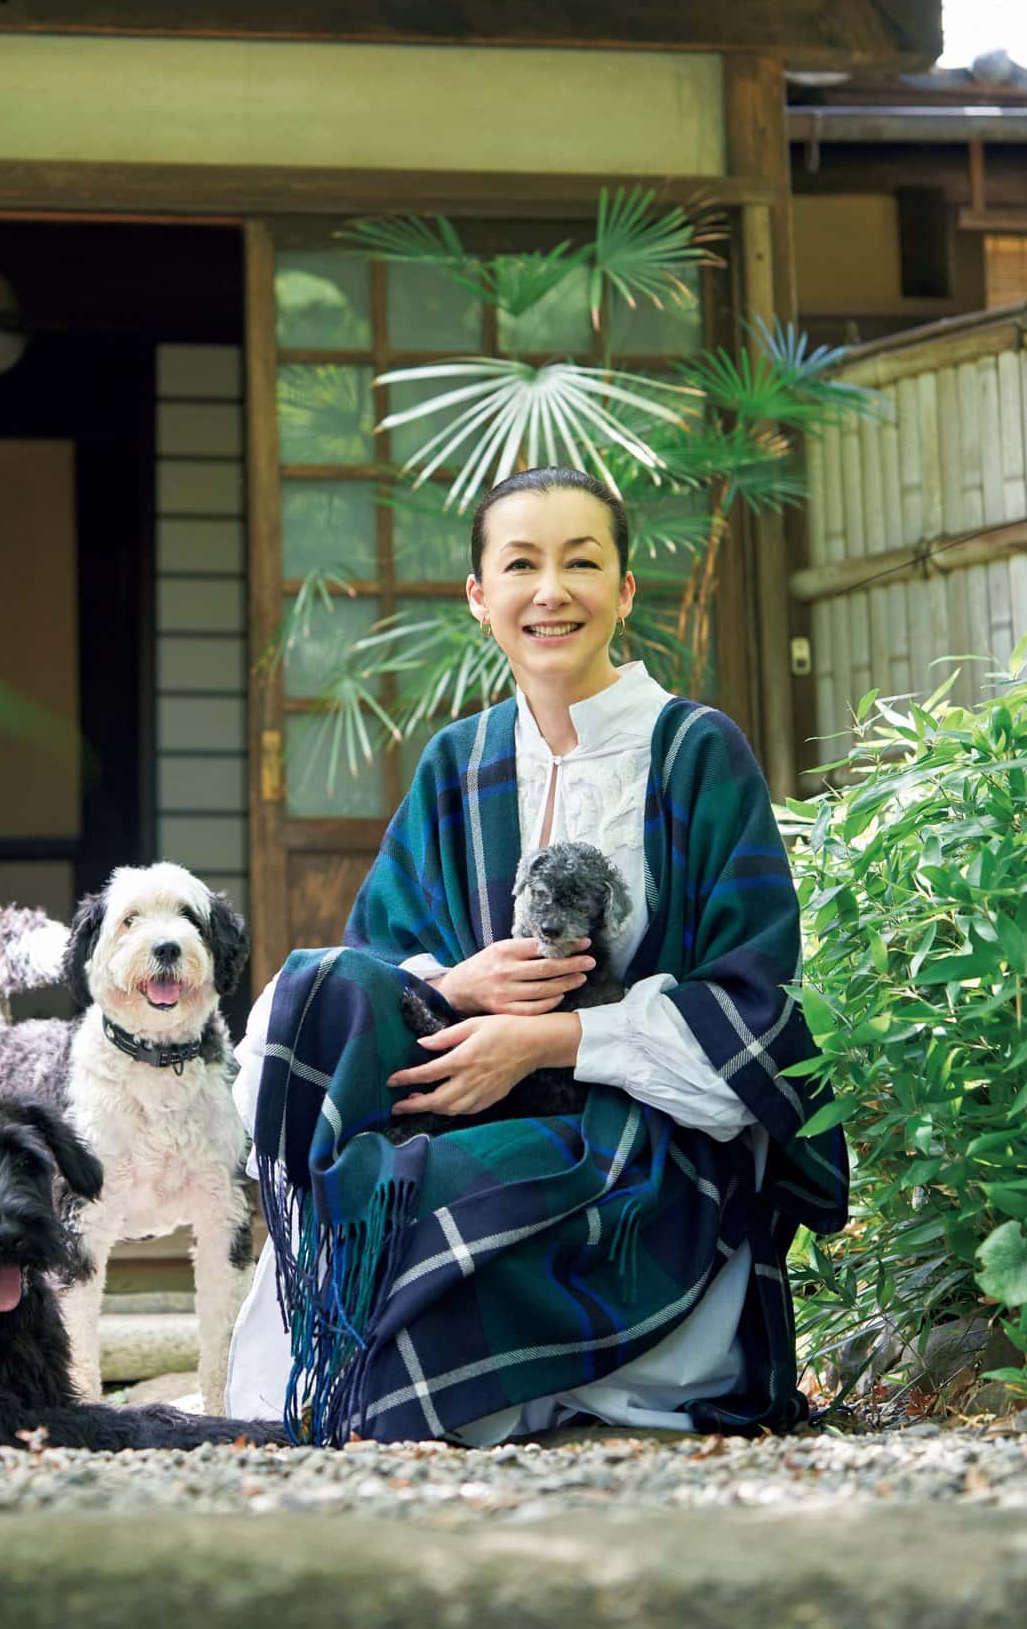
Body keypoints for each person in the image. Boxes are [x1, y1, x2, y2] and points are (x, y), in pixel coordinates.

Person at [224, 466, 849, 1446]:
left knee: (459, 1183)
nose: (550, 592)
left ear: (625, 590)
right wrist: (456, 985)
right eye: (520, 564)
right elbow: (377, 971)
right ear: (480, 597)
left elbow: (754, 1005)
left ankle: (473, 1377)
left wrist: (549, 1042)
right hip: (461, 1103)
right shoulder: (456, 764)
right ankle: (355, 1374)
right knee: (320, 994)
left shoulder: (697, 753)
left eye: (582, 562)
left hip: (645, 1147)